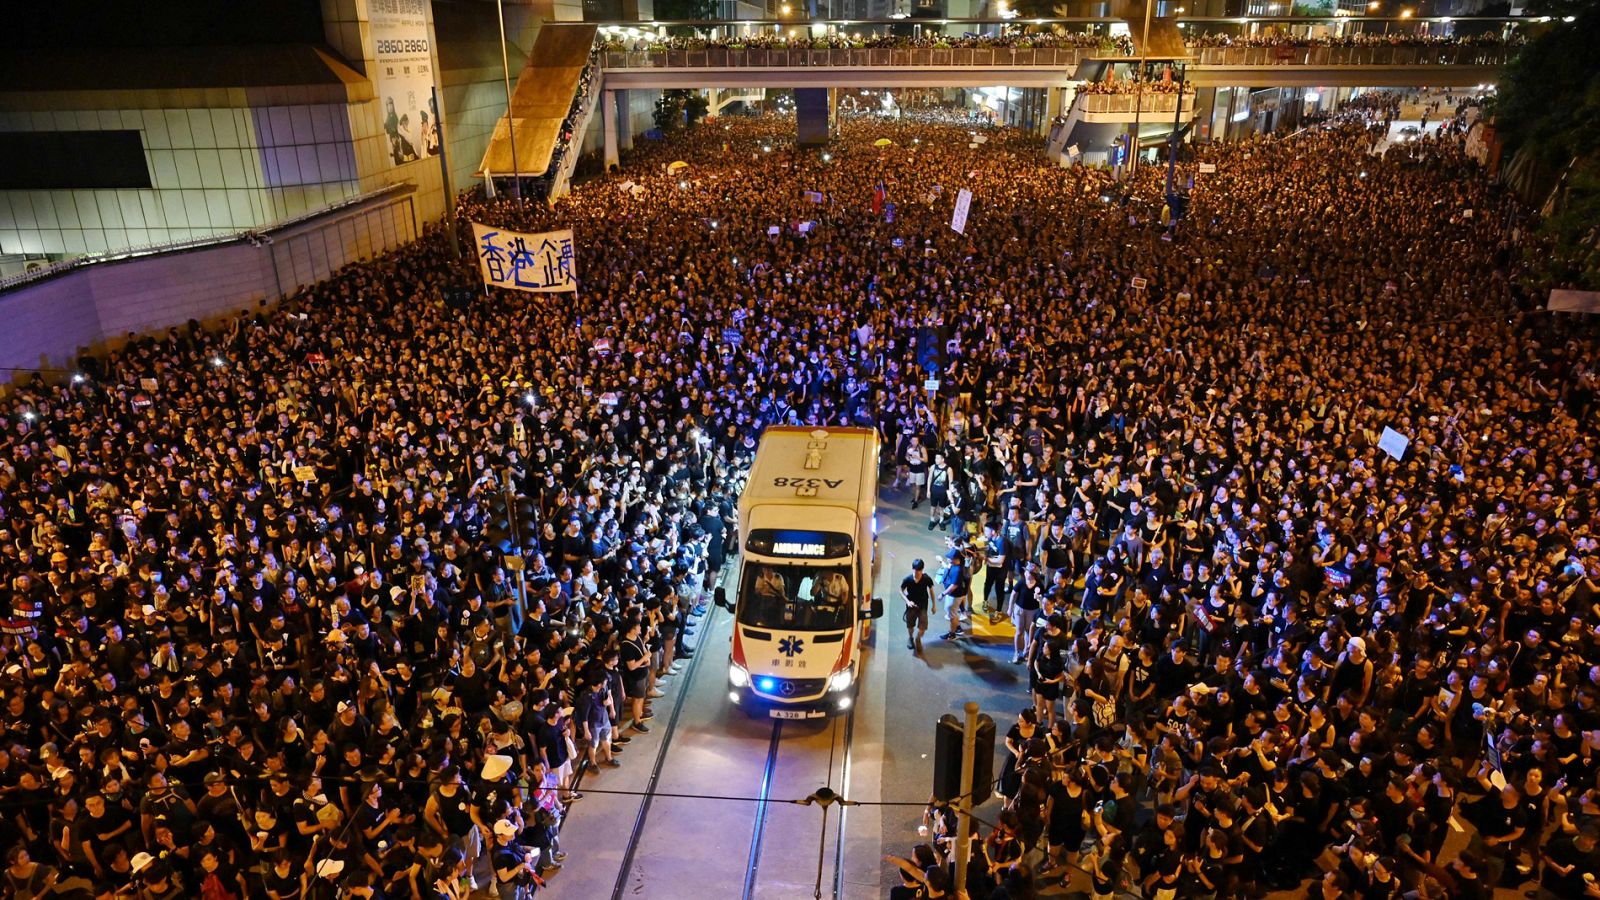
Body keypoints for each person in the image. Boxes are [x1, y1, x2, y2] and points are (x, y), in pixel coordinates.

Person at [902, 559, 935, 653]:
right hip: (911, 607)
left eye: (919, 570)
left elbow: (931, 591)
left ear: (922, 569)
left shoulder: (926, 579)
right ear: (912, 569)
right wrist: (907, 601)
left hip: (923, 606)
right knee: (910, 625)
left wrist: (934, 605)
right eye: (915, 570)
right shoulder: (908, 579)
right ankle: (911, 638)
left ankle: (918, 639)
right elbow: (901, 590)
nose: (917, 572)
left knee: (923, 627)